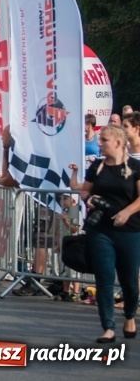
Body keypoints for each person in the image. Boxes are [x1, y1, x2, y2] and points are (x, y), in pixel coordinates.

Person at [68, 124, 140, 343]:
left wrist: (127, 212)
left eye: (104, 140)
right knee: (104, 278)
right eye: (99, 140)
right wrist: (88, 199)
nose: (100, 143)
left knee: (129, 281)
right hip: (99, 230)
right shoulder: (97, 166)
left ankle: (129, 315)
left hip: (129, 231)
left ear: (118, 142)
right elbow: (84, 191)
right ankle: (108, 327)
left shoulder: (135, 167)